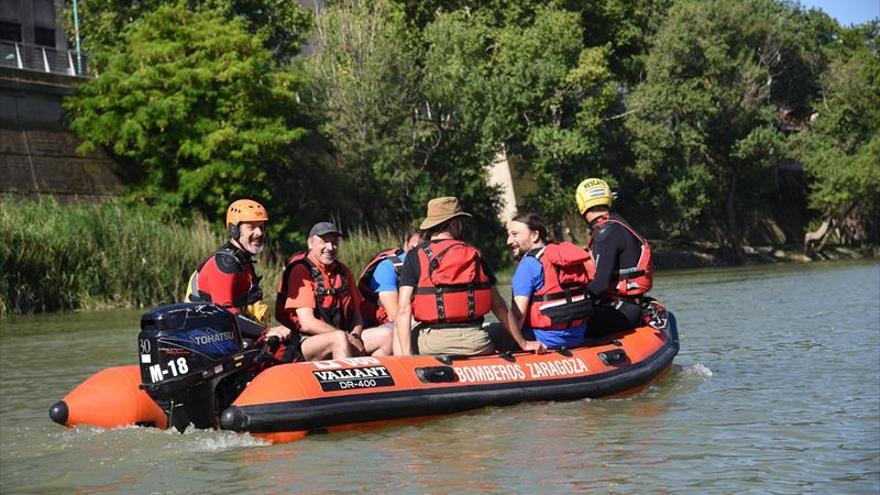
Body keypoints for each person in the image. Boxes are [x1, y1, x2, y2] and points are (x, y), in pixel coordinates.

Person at [395, 197, 530, 356]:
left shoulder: (414, 255)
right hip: (477, 343)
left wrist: (407, 355)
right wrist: (524, 343)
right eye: (460, 222)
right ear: (454, 224)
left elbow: (403, 310)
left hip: (433, 345)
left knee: (398, 329)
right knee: (496, 329)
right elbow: (499, 306)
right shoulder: (475, 254)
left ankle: (404, 372)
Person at [276, 222, 393, 360]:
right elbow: (307, 323)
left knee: (387, 335)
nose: (330, 247)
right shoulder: (300, 271)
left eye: (334, 242)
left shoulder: (342, 271)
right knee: (339, 338)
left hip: (343, 336)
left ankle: (375, 379)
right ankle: (349, 380)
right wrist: (346, 337)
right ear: (310, 243)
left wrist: (355, 335)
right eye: (324, 242)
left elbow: (357, 314)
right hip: (303, 342)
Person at [185, 199, 291, 346]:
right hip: (208, 340)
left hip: (227, 336)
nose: (259, 233)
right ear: (234, 229)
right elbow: (224, 312)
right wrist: (265, 332)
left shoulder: (243, 260)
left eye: (261, 226)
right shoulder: (225, 263)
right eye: (251, 227)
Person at [575, 178, 654, 334]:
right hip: (629, 305)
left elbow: (601, 285)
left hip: (622, 310)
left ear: (582, 204)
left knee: (566, 320)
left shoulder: (606, 233)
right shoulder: (616, 223)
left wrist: (574, 302)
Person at [507, 212, 593, 350]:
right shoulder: (566, 259)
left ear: (534, 235)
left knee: (493, 331)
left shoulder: (528, 264)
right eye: (509, 234)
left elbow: (518, 315)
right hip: (577, 336)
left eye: (515, 234)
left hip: (543, 339)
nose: (509, 241)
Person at [357, 230, 424, 344]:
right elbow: (394, 315)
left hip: (405, 320)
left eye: (422, 250)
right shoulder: (387, 268)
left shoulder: (428, 266)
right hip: (373, 327)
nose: (417, 255)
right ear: (405, 245)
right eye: (413, 249)